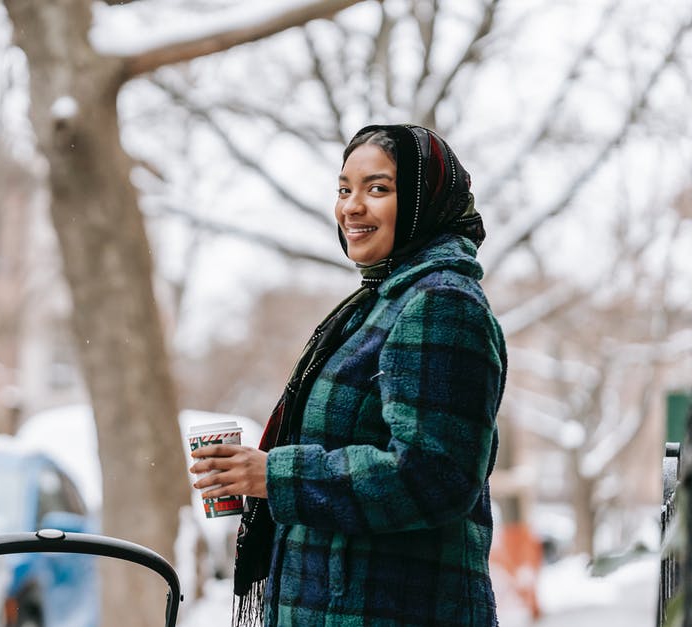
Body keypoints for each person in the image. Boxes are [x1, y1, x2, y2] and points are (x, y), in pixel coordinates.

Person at [190, 124, 505, 626]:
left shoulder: (441, 304)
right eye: (344, 189)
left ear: (425, 200)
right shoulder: (381, 303)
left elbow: (435, 475)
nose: (351, 207)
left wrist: (274, 475)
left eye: (377, 189)